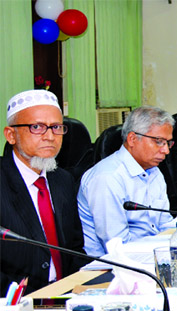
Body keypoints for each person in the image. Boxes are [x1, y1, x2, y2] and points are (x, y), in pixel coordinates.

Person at [1, 90, 89, 294]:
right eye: (37, 127)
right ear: (11, 135)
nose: (50, 136)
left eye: (56, 127)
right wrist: (39, 301)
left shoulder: (63, 180)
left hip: (67, 294)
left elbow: (74, 248)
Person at [77, 107, 177, 257]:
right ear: (132, 139)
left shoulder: (154, 172)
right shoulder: (107, 177)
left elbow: (165, 224)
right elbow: (117, 245)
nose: (166, 151)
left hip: (152, 256)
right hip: (110, 267)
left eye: (168, 143)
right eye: (159, 142)